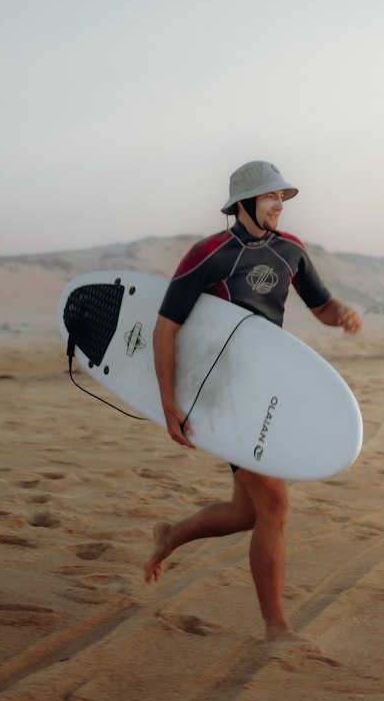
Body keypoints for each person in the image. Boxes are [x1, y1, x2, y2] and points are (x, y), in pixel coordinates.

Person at [143, 160, 362, 647]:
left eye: (282, 198)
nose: (279, 206)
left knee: (247, 513)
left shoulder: (292, 252)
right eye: (270, 198)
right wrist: (167, 402)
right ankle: (276, 628)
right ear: (243, 203)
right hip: (223, 395)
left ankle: (170, 535)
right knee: (276, 507)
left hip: (267, 390)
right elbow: (165, 327)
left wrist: (341, 313)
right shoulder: (209, 255)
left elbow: (320, 306)